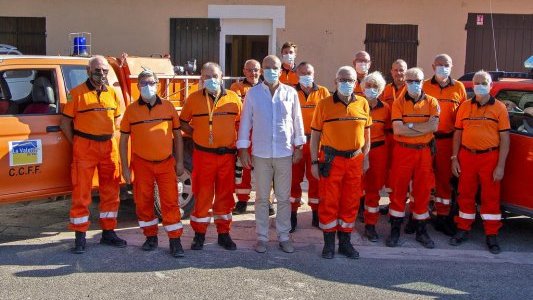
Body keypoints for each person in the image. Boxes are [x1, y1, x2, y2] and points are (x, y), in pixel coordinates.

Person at [237, 55, 305, 254]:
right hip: (261, 153)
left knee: (284, 198)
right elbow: (245, 123)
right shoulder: (253, 94)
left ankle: (284, 236)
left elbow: (297, 120)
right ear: (263, 69)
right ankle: (262, 237)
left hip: (284, 152)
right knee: (261, 198)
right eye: (267, 67)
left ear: (280, 70)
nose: (271, 70)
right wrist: (243, 149)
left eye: (274, 67)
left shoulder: (290, 93)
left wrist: (299, 146)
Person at [60, 55, 127, 254]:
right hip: (85, 145)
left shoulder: (113, 94)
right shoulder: (76, 93)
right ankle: (80, 236)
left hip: (108, 146)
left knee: (111, 191)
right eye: (97, 70)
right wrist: (78, 143)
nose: (101, 74)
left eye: (105, 71)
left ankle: (108, 232)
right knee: (82, 192)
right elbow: (65, 123)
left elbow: (118, 118)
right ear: (89, 71)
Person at [119, 70, 185, 258]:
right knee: (143, 202)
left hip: (165, 163)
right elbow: (123, 141)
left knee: (170, 202)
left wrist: (179, 162)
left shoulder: (168, 107)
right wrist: (125, 167)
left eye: (151, 82)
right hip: (142, 164)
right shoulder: (131, 110)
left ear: (157, 84)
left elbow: (178, 136)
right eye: (143, 83)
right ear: (138, 86)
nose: (148, 86)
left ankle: (175, 240)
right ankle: (150, 237)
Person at [310, 66, 371, 259]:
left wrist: (365, 157)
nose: (346, 83)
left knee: (350, 202)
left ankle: (345, 243)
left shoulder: (362, 103)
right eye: (342, 80)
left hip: (355, 160)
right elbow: (315, 136)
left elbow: (367, 135)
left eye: (350, 80)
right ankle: (328, 244)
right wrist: (313, 162)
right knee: (329, 202)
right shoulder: (324, 104)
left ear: (356, 82)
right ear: (335, 82)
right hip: (331, 160)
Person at [180, 62, 242, 251]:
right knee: (202, 196)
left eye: (214, 76)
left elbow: (241, 123)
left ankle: (224, 234)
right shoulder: (193, 99)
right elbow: (183, 123)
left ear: (221, 76)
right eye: (207, 77)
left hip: (227, 157)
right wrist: (197, 134)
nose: (211, 80)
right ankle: (199, 235)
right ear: (201, 79)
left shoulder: (233, 98)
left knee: (225, 196)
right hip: (203, 155)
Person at [450, 70, 510, 254]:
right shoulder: (465, 106)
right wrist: (454, 158)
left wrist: (500, 166)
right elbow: (458, 134)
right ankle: (463, 229)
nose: (479, 85)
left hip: (490, 157)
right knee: (465, 194)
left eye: (484, 82)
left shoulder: (499, 107)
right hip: (467, 156)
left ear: (491, 85)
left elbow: (505, 139)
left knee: (490, 197)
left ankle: (491, 234)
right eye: (476, 82)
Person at [388, 67, 440, 249]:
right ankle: (395, 230)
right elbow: (398, 129)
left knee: (423, 190)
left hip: (424, 152)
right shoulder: (398, 102)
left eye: (417, 80)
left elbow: (434, 127)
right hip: (403, 151)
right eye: (409, 81)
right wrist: (421, 126)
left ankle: (421, 231)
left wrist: (408, 125)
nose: (413, 84)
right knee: (398, 190)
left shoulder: (432, 102)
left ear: (423, 81)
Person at [423, 54, 467, 236]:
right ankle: (419, 216)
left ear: (452, 66)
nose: (442, 68)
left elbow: (464, 116)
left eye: (446, 64)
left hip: (448, 141)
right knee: (422, 178)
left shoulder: (459, 87)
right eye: (439, 64)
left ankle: (442, 216)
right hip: (426, 140)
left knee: (444, 181)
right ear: (433, 66)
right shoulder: (424, 85)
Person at [290, 62, 330, 232]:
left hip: (316, 142)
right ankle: (291, 214)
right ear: (297, 74)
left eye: (309, 72)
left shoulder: (323, 92)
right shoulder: (291, 92)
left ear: (314, 73)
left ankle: (316, 213)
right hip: (296, 143)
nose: (306, 75)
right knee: (293, 180)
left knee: (316, 180)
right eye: (303, 72)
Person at [361, 71, 390, 242]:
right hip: (358, 151)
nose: (371, 89)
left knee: (373, 190)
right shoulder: (357, 104)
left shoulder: (386, 108)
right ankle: (346, 223)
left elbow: (389, 133)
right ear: (363, 87)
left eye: (375, 87)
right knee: (354, 188)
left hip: (378, 151)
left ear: (381, 90)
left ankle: (370, 225)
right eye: (368, 86)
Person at [230, 59, 261, 215]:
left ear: (260, 71)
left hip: (262, 133)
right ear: (244, 71)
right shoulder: (237, 88)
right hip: (244, 133)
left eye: (255, 70)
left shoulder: (266, 87)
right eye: (249, 70)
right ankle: (242, 201)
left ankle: (265, 202)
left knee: (265, 169)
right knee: (243, 168)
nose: (252, 73)